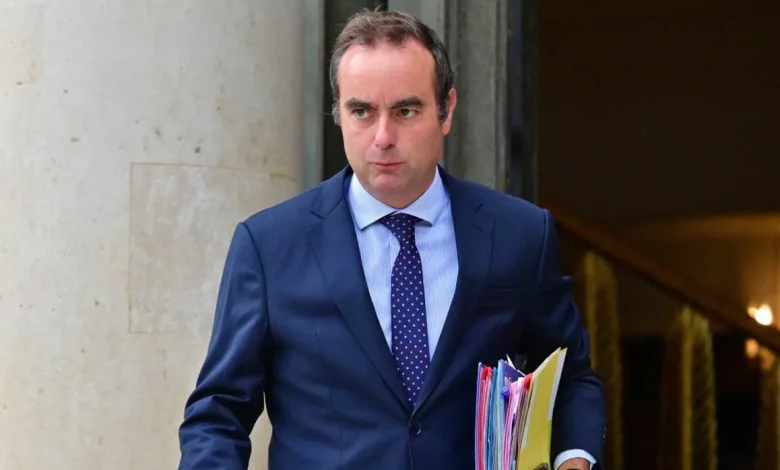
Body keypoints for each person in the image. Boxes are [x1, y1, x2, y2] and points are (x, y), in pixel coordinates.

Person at [178, 8, 605, 470]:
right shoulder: (268, 246)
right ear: (339, 113)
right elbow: (218, 414)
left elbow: (572, 376)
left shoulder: (519, 234)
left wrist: (574, 459)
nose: (382, 137)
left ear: (446, 110)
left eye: (405, 110)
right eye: (361, 111)